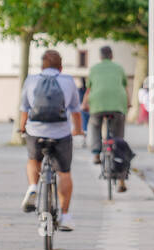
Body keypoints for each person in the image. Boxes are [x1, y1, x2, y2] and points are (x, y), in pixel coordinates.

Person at [19, 49, 83, 230]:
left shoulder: (31, 80)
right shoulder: (68, 81)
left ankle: (33, 186)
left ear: (42, 66)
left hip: (36, 132)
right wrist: (78, 130)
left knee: (33, 160)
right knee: (64, 172)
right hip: (61, 133)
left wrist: (22, 128)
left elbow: (24, 108)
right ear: (60, 67)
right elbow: (76, 111)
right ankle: (66, 215)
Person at [84, 46, 128, 172]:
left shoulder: (94, 69)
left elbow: (89, 89)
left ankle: (96, 153)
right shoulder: (119, 68)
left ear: (100, 56)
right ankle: (118, 147)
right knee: (118, 132)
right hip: (118, 104)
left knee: (94, 125)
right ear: (111, 56)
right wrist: (128, 104)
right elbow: (124, 88)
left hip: (98, 103)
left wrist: (84, 104)